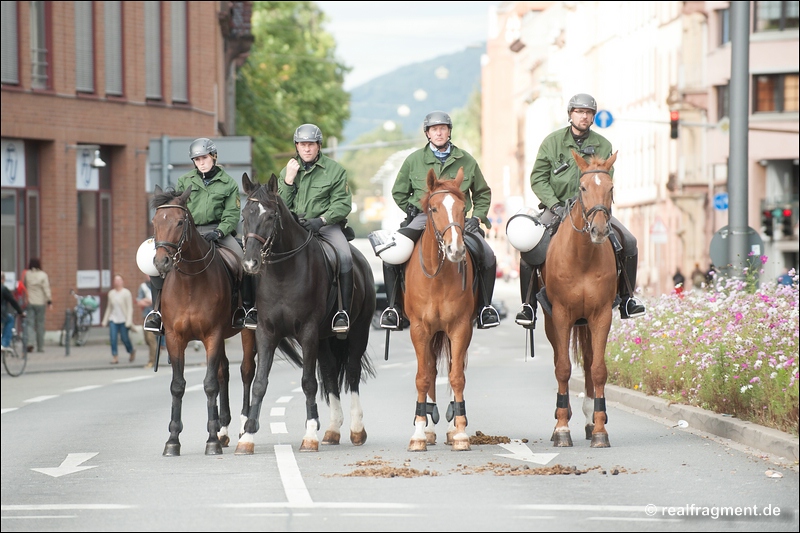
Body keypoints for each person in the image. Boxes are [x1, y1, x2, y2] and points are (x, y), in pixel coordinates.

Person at [515, 93, 646, 326]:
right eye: (579, 112)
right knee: (530, 246)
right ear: (570, 115)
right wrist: (554, 204)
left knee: (630, 242)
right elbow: (538, 178)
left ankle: (627, 299)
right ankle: (528, 306)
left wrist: (598, 206)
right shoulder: (552, 142)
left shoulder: (603, 145)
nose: (584, 116)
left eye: (588, 113)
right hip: (556, 208)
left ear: (593, 117)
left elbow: (606, 181)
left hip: (594, 210)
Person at [379, 110, 501, 330]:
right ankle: (394, 309)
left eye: (443, 128)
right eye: (434, 129)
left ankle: (485, 308)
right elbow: (399, 192)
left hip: (457, 220)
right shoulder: (414, 160)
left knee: (489, 256)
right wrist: (416, 207)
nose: (439, 133)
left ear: (449, 132)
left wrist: (477, 217)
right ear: (427, 133)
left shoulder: (466, 159)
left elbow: (482, 193)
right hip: (424, 217)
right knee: (391, 254)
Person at [144, 137, 258, 333]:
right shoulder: (184, 180)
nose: (201, 163)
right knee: (154, 261)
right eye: (197, 159)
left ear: (213, 157)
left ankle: (247, 309)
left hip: (219, 233)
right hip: (188, 232)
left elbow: (232, 214)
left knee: (242, 261)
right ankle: (158, 312)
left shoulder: (228, 183)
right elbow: (176, 210)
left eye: (204, 158)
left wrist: (219, 231)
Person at [278, 124, 354, 335]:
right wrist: (288, 180)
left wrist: (321, 220)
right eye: (303, 145)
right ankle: (261, 309)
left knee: (345, 256)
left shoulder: (335, 170)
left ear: (319, 146)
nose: (307, 149)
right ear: (297, 146)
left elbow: (342, 204)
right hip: (295, 228)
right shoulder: (288, 170)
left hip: (325, 227)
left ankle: (343, 311)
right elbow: (279, 206)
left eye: (311, 144)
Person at [101, 274, 136, 365]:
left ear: (122, 282)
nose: (117, 282)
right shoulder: (111, 293)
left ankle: (131, 350)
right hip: (113, 319)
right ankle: (115, 356)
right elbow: (109, 308)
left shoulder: (126, 293)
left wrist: (129, 320)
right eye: (115, 280)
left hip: (123, 320)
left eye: (119, 280)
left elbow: (129, 308)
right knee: (113, 338)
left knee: (124, 338)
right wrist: (105, 321)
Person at [23, 258, 52, 352]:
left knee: (30, 324)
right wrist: (49, 301)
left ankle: (30, 343)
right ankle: (40, 347)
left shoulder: (27, 274)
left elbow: (24, 286)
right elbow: (46, 289)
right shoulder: (43, 275)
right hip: (40, 303)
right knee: (40, 325)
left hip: (30, 302)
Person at [136, 278, 158, 368]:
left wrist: (149, 301)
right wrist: (148, 301)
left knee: (151, 338)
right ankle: (156, 352)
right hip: (146, 316)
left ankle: (152, 361)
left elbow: (158, 300)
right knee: (147, 339)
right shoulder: (143, 287)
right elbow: (139, 301)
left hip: (155, 314)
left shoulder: (157, 285)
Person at [1, 272, 26, 349]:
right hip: (2, 314)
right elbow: (13, 301)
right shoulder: (3, 289)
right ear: (2, 279)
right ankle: (4, 344)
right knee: (10, 320)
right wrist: (20, 312)